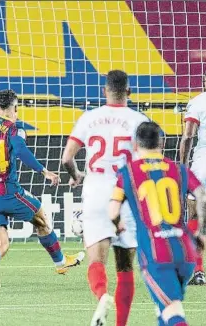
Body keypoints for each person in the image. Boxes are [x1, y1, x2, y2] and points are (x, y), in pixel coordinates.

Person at [0, 89, 85, 288]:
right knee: (41, 218)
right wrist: (44, 171)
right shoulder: (15, 129)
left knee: (0, 243)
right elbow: (21, 150)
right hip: (6, 192)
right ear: (15, 108)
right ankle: (60, 262)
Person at [61, 70, 151, 326]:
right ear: (129, 92)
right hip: (125, 196)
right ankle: (120, 324)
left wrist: (76, 174)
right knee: (124, 267)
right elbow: (146, 163)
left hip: (95, 192)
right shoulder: (138, 120)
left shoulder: (90, 118)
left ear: (105, 91)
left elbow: (67, 158)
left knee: (95, 260)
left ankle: (102, 296)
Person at [109, 121, 206, 326]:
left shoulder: (128, 172)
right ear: (161, 143)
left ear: (135, 145)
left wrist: (118, 224)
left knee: (172, 311)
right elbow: (202, 196)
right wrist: (201, 232)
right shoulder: (179, 169)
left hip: (157, 254)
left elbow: (113, 210)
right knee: (163, 309)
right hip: (186, 253)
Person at [178, 73, 206, 285]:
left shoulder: (198, 102)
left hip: (202, 165)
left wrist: (183, 165)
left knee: (197, 217)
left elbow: (188, 136)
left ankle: (197, 271)